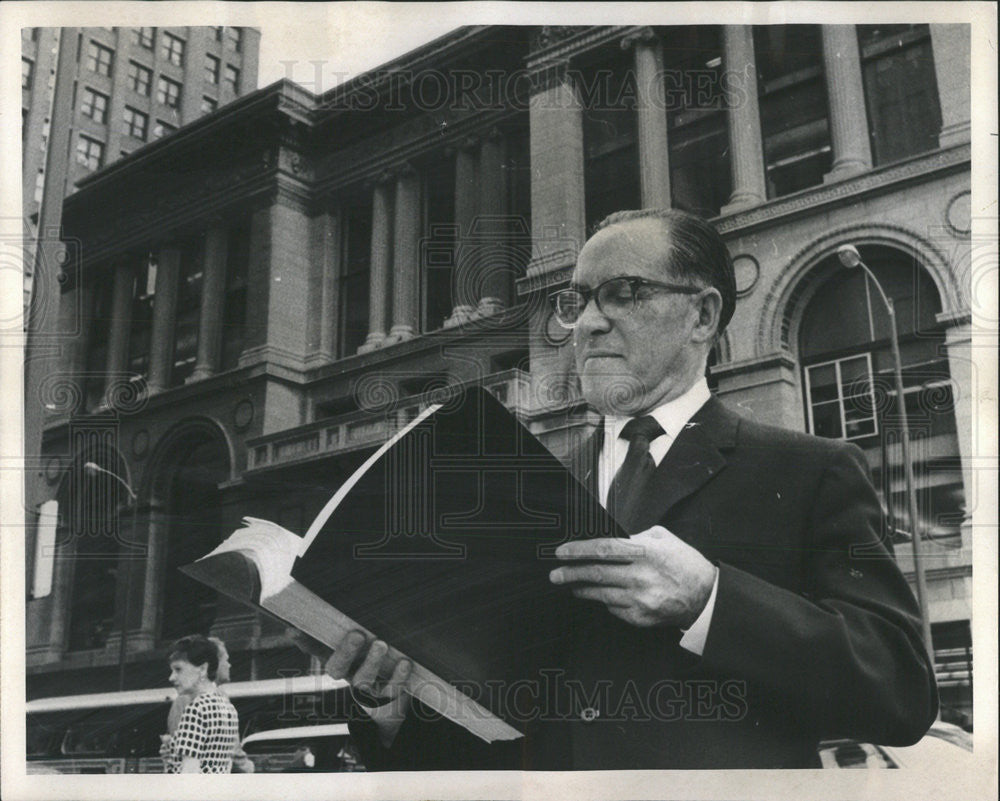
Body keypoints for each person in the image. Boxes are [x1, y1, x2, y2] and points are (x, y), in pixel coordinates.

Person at [311, 209, 938, 769]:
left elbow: (901, 694)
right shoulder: (528, 491)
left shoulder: (808, 470)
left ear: (702, 315)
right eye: (578, 301)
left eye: (624, 293)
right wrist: (393, 705)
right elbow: (498, 748)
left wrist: (710, 601)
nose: (586, 324)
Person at [163, 635, 240, 773]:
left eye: (178, 669)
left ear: (203, 669)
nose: (171, 677)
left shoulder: (196, 709)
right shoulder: (228, 707)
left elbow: (189, 772)